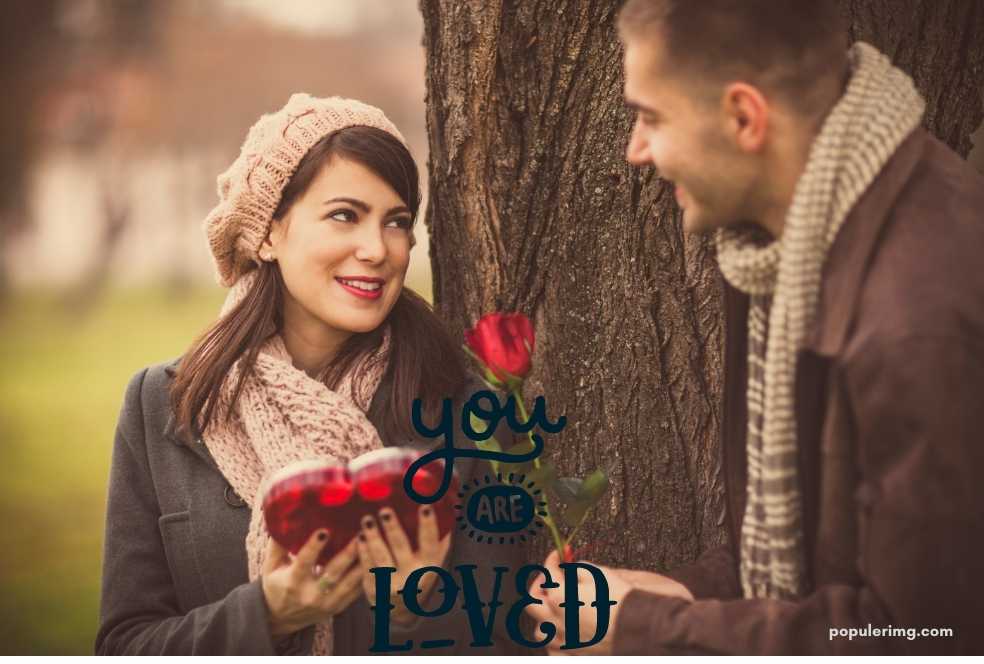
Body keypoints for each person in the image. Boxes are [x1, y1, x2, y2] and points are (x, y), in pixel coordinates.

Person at [526, 0, 984, 655]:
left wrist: (649, 631)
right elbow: (816, 555)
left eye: (651, 118)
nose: (636, 151)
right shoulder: (784, 240)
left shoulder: (916, 322)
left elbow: (926, 634)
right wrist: (682, 596)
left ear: (745, 117)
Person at [95, 94, 526, 655]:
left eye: (395, 222)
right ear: (269, 232)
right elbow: (125, 644)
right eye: (344, 215)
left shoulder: (466, 414)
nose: (377, 249)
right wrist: (267, 615)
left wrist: (410, 609)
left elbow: (509, 640)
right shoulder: (163, 404)